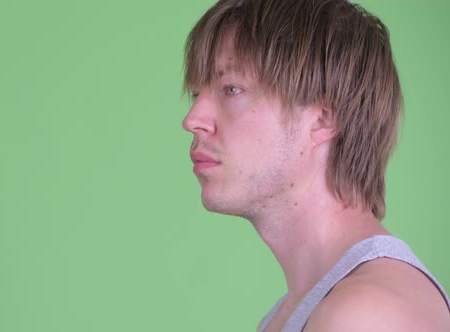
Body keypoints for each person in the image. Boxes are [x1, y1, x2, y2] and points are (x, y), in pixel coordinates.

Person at [181, 0, 450, 330]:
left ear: (323, 119)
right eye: (196, 94)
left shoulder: (366, 316)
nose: (192, 120)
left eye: (232, 89)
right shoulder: (297, 310)